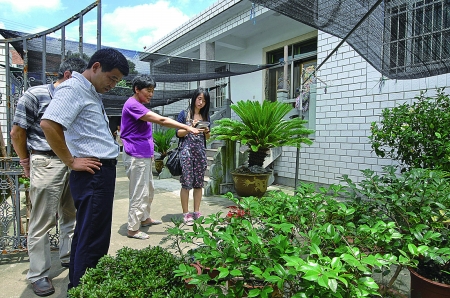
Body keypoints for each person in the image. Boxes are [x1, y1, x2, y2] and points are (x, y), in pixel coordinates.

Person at [40, 48, 129, 290]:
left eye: (118, 81)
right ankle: (84, 290)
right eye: (112, 78)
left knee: (88, 233)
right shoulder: (73, 88)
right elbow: (49, 124)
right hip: (93, 173)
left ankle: (80, 287)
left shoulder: (90, 91)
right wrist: (70, 160)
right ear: (96, 66)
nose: (113, 84)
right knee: (93, 238)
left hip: (99, 172)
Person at [10, 57, 86, 297]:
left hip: (73, 161)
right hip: (46, 160)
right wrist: (25, 162)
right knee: (42, 220)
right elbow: (17, 132)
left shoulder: (77, 98)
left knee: (71, 215)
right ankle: (38, 274)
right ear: (66, 75)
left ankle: (68, 257)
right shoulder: (35, 95)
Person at [121, 75, 200, 239]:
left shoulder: (140, 105)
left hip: (144, 155)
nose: (151, 94)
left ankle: (144, 218)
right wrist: (187, 127)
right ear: (137, 89)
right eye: (148, 90)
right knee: (139, 192)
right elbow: (162, 120)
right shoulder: (133, 105)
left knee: (148, 189)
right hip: (136, 156)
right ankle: (133, 228)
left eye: (152, 91)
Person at [176, 88, 211, 226]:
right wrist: (190, 127)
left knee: (199, 184)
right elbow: (178, 133)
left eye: (204, 100)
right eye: (199, 99)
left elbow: (207, 137)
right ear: (194, 98)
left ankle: (196, 211)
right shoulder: (184, 114)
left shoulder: (206, 116)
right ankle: (186, 213)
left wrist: (206, 131)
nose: (201, 102)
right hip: (187, 152)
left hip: (200, 153)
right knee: (186, 183)